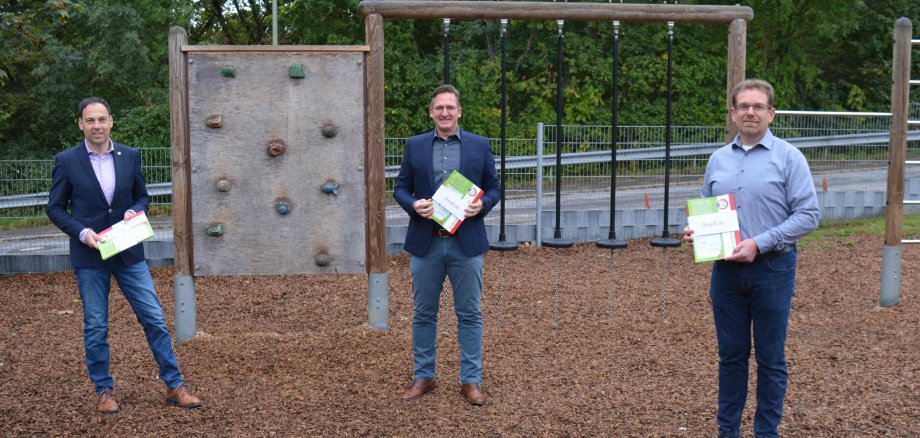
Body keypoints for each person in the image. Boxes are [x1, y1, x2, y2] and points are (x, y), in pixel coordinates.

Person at [47, 97, 202, 414]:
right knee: (95, 326)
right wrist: (82, 233)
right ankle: (104, 391)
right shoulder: (67, 160)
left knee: (154, 319)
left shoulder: (130, 156)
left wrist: (135, 210)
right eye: (90, 120)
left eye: (102, 119)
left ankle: (174, 385)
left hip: (129, 253)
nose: (97, 126)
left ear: (111, 121)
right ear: (80, 124)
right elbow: (55, 208)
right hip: (90, 256)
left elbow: (142, 196)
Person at [682, 79, 819, 438]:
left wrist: (760, 243)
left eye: (758, 106)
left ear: (771, 114)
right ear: (733, 113)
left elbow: (808, 214)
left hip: (773, 268)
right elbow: (708, 207)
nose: (750, 112)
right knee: (730, 357)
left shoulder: (789, 157)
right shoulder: (718, 159)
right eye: (743, 106)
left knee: (770, 359)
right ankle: (728, 432)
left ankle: (766, 432)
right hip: (725, 270)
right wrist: (697, 231)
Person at [393, 84, 501, 406]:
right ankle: (424, 376)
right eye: (438, 108)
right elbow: (400, 188)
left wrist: (483, 206)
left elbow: (494, 188)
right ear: (430, 112)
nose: (444, 113)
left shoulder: (479, 146)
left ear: (459, 112)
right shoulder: (415, 146)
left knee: (470, 314)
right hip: (426, 244)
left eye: (450, 107)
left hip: (464, 244)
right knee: (424, 315)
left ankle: (471, 381)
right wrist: (413, 205)